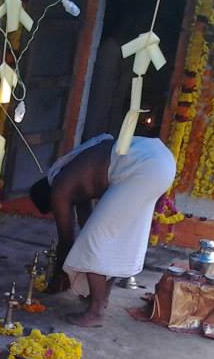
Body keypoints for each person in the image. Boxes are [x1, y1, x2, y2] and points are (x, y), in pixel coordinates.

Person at [28, 135, 176, 327]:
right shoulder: (73, 177)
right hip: (161, 161)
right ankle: (101, 298)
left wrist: (57, 280)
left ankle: (95, 311)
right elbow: (87, 222)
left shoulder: (59, 190)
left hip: (144, 167)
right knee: (109, 239)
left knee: (93, 242)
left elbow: (66, 239)